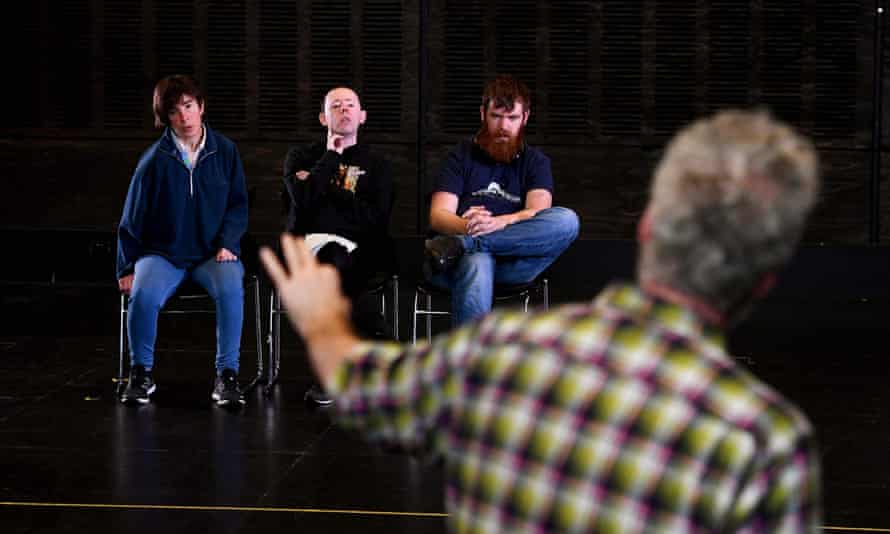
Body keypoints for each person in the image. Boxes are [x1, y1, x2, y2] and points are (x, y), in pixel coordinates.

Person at [260, 109, 823, 532]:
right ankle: (470, 248)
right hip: (471, 255)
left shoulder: (504, 353)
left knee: (515, 237)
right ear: (765, 281)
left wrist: (322, 321)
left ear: (647, 227)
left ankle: (469, 246)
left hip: (490, 256)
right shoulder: (767, 441)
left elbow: (365, 390)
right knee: (476, 259)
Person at [117, 75, 249, 407]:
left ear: (201, 108)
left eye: (189, 107)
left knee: (232, 287)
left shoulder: (225, 151)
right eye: (175, 111)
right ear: (166, 117)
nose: (185, 117)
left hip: (211, 253)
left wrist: (229, 243)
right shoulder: (153, 161)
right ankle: (140, 374)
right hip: (163, 254)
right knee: (143, 295)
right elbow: (132, 218)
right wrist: (126, 266)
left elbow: (238, 205)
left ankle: (227, 376)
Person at [424, 74, 579, 326]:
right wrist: (468, 226)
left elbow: (538, 214)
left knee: (567, 220)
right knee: (478, 260)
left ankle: (466, 244)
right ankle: (472, 360)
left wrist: (497, 223)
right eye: (496, 116)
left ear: (525, 118)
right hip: (453, 264)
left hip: (514, 262)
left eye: (512, 118)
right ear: (483, 114)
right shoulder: (459, 157)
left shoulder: (535, 162)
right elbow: (438, 215)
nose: (504, 126)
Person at [281, 86, 394, 405]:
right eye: (336, 106)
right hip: (311, 249)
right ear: (323, 117)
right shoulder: (301, 156)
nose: (344, 110)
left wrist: (325, 190)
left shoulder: (379, 166)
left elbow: (376, 219)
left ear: (362, 116)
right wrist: (331, 158)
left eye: (350, 105)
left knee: (338, 265)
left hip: (362, 250)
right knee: (331, 259)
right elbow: (302, 205)